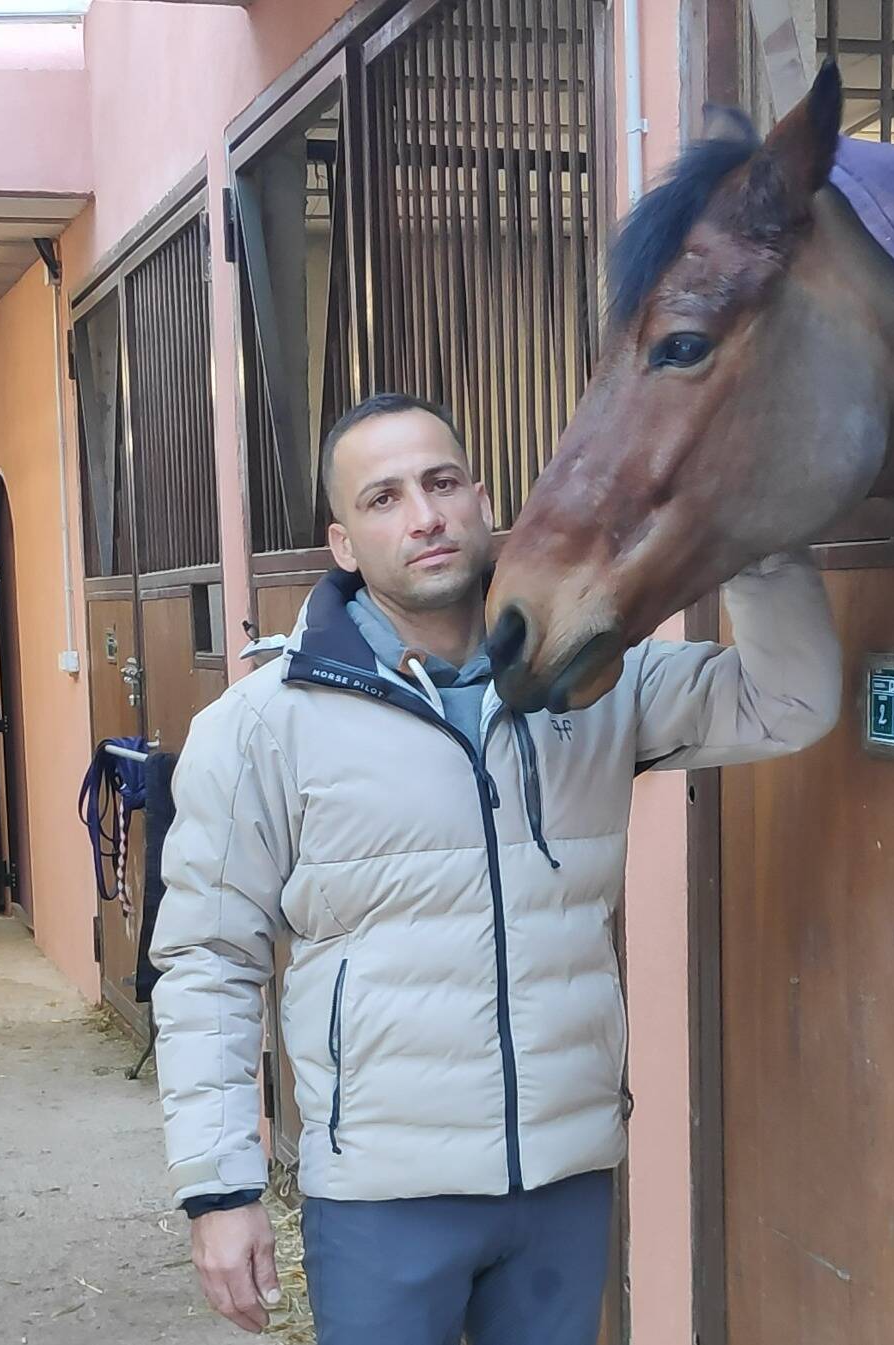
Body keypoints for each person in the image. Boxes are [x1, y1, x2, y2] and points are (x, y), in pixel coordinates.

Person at [149, 394, 842, 1343]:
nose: (423, 516)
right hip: (383, 1196)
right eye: (383, 498)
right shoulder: (265, 722)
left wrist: (756, 542)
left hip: (563, 1177)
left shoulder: (594, 676)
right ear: (343, 542)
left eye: (440, 483)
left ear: (482, 499)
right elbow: (207, 959)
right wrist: (219, 1189)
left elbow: (788, 701)